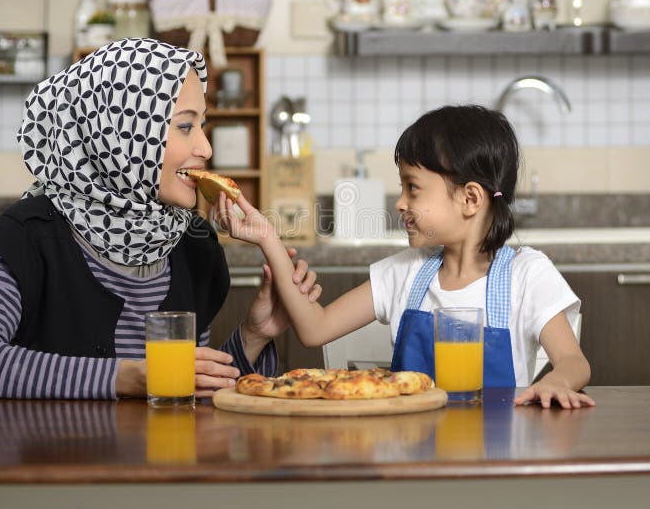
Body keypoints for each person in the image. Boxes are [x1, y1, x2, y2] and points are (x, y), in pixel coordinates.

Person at [0, 38, 321, 399]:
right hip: (49, 465)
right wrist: (127, 377)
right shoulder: (27, 239)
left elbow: (187, 394)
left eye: (201, 125)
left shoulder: (194, 245)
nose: (205, 147)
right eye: (185, 126)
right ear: (121, 134)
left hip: (163, 465)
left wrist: (254, 335)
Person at [217, 104, 595, 409]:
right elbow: (314, 329)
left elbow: (574, 362)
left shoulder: (527, 275)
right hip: (409, 456)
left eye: (413, 188)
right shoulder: (405, 274)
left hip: (497, 462)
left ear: (470, 199)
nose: (400, 203)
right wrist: (267, 238)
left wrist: (556, 383)